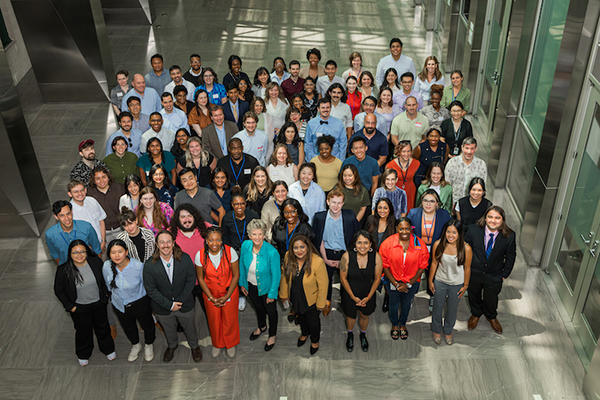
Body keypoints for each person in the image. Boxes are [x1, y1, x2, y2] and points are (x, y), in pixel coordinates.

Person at [53, 240, 116, 366]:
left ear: (87, 252)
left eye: (82, 251)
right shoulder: (63, 270)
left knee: (102, 328)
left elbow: (104, 280)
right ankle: (83, 353)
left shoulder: (96, 262)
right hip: (79, 308)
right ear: (69, 254)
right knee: (83, 331)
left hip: (98, 303)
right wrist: (71, 307)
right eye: (75, 252)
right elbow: (58, 290)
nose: (79, 255)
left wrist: (105, 296)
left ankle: (107, 349)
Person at [143, 230, 203, 362]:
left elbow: (191, 280)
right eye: (162, 242)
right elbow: (151, 290)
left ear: (173, 243)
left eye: (168, 241)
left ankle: (194, 346)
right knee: (168, 329)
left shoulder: (185, 258)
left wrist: (179, 301)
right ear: (157, 245)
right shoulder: (149, 265)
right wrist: (169, 305)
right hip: (162, 308)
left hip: (185, 304)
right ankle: (172, 346)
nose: (165, 245)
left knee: (190, 328)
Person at [464, 206, 516, 334]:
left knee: (491, 298)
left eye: (497, 218)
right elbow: (464, 250)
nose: (493, 220)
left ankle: (491, 316)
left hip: (495, 275)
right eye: (490, 217)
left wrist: (504, 275)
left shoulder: (509, 235)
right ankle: (476, 313)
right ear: (485, 218)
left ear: (502, 220)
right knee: (473, 295)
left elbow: (510, 257)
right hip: (474, 273)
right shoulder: (473, 230)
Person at [103, 239, 156, 362]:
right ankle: (135, 344)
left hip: (139, 302)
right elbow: (107, 285)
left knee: (147, 325)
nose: (116, 255)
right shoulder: (106, 266)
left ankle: (149, 344)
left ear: (126, 252)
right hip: (119, 304)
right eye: (113, 252)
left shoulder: (138, 267)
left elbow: (147, 286)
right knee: (128, 327)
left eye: (120, 251)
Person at [312, 189, 360, 316]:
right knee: (325, 280)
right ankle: (327, 301)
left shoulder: (349, 216)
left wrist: (344, 260)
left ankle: (345, 302)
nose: (336, 206)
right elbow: (319, 240)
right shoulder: (319, 217)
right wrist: (326, 259)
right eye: (333, 202)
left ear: (343, 204)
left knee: (346, 280)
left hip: (345, 254)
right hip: (326, 253)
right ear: (327, 202)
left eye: (339, 203)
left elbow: (356, 238)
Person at [380, 217, 429, 340]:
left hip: (411, 282)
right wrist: (396, 284)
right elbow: (384, 266)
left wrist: (408, 283)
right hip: (392, 281)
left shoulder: (419, 244)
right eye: (401, 229)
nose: (404, 232)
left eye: (407, 229)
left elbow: (422, 266)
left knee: (406, 304)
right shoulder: (387, 243)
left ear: (411, 228)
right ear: (397, 228)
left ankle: (403, 324)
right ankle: (395, 325)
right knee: (394, 304)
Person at [195, 227, 240, 357]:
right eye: (211, 240)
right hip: (210, 293)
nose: (214, 243)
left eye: (218, 240)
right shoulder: (200, 255)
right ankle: (217, 343)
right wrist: (210, 297)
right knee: (214, 320)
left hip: (229, 292)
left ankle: (230, 343)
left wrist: (227, 296)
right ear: (206, 241)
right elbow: (201, 279)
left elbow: (236, 275)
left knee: (229, 319)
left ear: (221, 241)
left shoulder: (231, 252)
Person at [279, 234, 328, 355]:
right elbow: (284, 277)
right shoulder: (288, 257)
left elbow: (323, 284)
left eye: (302, 247)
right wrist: (283, 294)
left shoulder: (317, 261)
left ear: (308, 247)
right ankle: (305, 333)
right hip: (295, 297)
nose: (299, 251)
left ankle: (315, 340)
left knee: (313, 322)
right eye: (296, 248)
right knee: (300, 317)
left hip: (311, 300)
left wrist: (321, 303)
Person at [239, 219, 281, 351]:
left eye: (260, 234)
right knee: (258, 308)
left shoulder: (272, 252)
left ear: (264, 235)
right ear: (249, 235)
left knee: (271, 312)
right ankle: (262, 326)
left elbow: (276, 275)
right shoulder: (245, 245)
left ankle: (272, 335)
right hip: (251, 286)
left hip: (267, 289)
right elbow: (241, 265)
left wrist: (272, 294)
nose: (257, 237)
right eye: (254, 234)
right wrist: (242, 283)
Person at [408, 189, 452, 311]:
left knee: (434, 276)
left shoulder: (444, 215)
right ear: (421, 202)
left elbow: (449, 234)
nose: (428, 204)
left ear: (437, 203)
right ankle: (410, 295)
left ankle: (432, 295)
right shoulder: (413, 213)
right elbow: (406, 231)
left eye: (432, 201)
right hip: (418, 251)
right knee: (413, 275)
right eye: (425, 200)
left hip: (436, 250)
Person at [429, 219, 472, 345]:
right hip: (440, 281)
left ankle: (448, 331)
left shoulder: (466, 248)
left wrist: (465, 285)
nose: (451, 235)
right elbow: (434, 263)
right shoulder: (438, 244)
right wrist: (431, 281)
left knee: (452, 309)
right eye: (448, 232)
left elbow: (467, 268)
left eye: (454, 232)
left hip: (457, 284)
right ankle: (436, 330)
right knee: (437, 307)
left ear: (459, 233)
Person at [339, 231, 383, 352]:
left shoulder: (376, 256)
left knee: (364, 315)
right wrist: (353, 297)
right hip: (350, 292)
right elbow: (343, 279)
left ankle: (363, 335)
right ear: (354, 244)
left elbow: (377, 279)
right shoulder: (347, 256)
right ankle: (350, 335)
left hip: (368, 292)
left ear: (370, 245)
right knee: (351, 316)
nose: (362, 246)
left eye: (365, 243)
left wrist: (368, 297)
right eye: (359, 242)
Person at [46, 200, 101, 265]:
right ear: (56, 217)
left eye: (68, 213)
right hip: (67, 267)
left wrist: (99, 267)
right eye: (62, 215)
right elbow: (55, 254)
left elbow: (96, 249)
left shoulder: (86, 227)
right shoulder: (50, 234)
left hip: (87, 265)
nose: (67, 218)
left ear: (72, 212)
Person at [87, 166, 126, 247]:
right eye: (97, 179)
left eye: (104, 177)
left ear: (108, 177)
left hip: (121, 229)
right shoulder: (89, 193)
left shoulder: (119, 188)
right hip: (103, 233)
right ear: (93, 181)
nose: (101, 181)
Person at [445, 137, 487, 203]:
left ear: (476, 148)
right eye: (467, 148)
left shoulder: (481, 165)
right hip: (454, 202)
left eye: (472, 148)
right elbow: (446, 185)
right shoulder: (452, 163)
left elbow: (482, 188)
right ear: (462, 147)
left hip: (471, 203)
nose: (469, 152)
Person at [68, 180, 106, 249]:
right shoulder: (69, 211)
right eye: (75, 192)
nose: (80, 194)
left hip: (101, 244)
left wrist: (103, 240)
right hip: (85, 248)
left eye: (81, 190)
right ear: (70, 194)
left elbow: (101, 220)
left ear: (85, 190)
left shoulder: (92, 201)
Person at [386, 140, 420, 212]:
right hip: (395, 192)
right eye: (403, 151)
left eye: (408, 151)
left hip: (411, 193)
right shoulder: (390, 165)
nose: (406, 154)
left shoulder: (417, 164)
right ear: (399, 152)